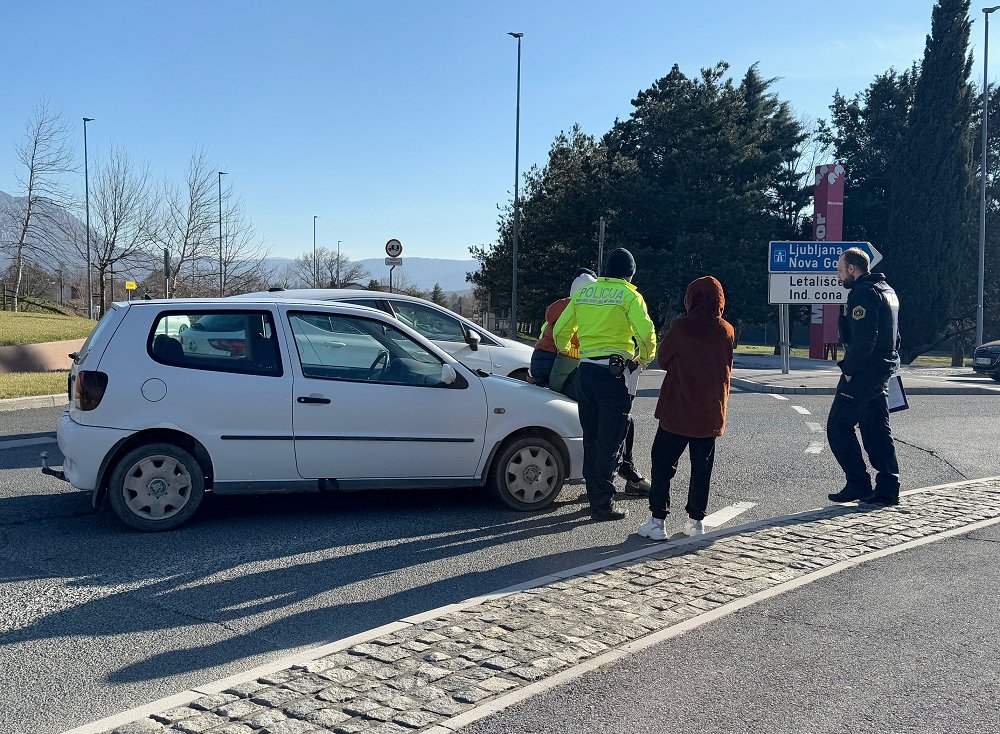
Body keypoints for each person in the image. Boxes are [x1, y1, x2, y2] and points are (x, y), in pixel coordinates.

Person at [553, 248, 656, 522]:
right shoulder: (630, 295)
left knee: (592, 438)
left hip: (586, 372)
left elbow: (560, 331)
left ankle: (593, 493)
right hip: (614, 375)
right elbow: (646, 334)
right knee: (611, 440)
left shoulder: (585, 294)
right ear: (630, 273)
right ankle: (602, 504)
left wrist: (572, 351)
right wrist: (642, 359)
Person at [638, 276, 734, 540]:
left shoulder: (681, 327)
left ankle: (658, 520)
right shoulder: (726, 330)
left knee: (662, 463)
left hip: (677, 410)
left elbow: (665, 360)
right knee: (702, 468)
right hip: (709, 413)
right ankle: (696, 521)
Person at [826, 247, 901, 506]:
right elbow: (895, 336)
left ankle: (858, 483)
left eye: (839, 270)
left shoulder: (864, 293)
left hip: (863, 372)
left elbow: (865, 339)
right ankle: (888, 487)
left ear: (851, 268)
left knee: (838, 426)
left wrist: (849, 370)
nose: (838, 276)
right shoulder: (887, 291)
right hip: (882, 369)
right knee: (876, 428)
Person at [529, 269, 596, 388]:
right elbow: (571, 344)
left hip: (538, 358)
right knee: (564, 390)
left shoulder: (559, 307)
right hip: (554, 359)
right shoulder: (577, 311)